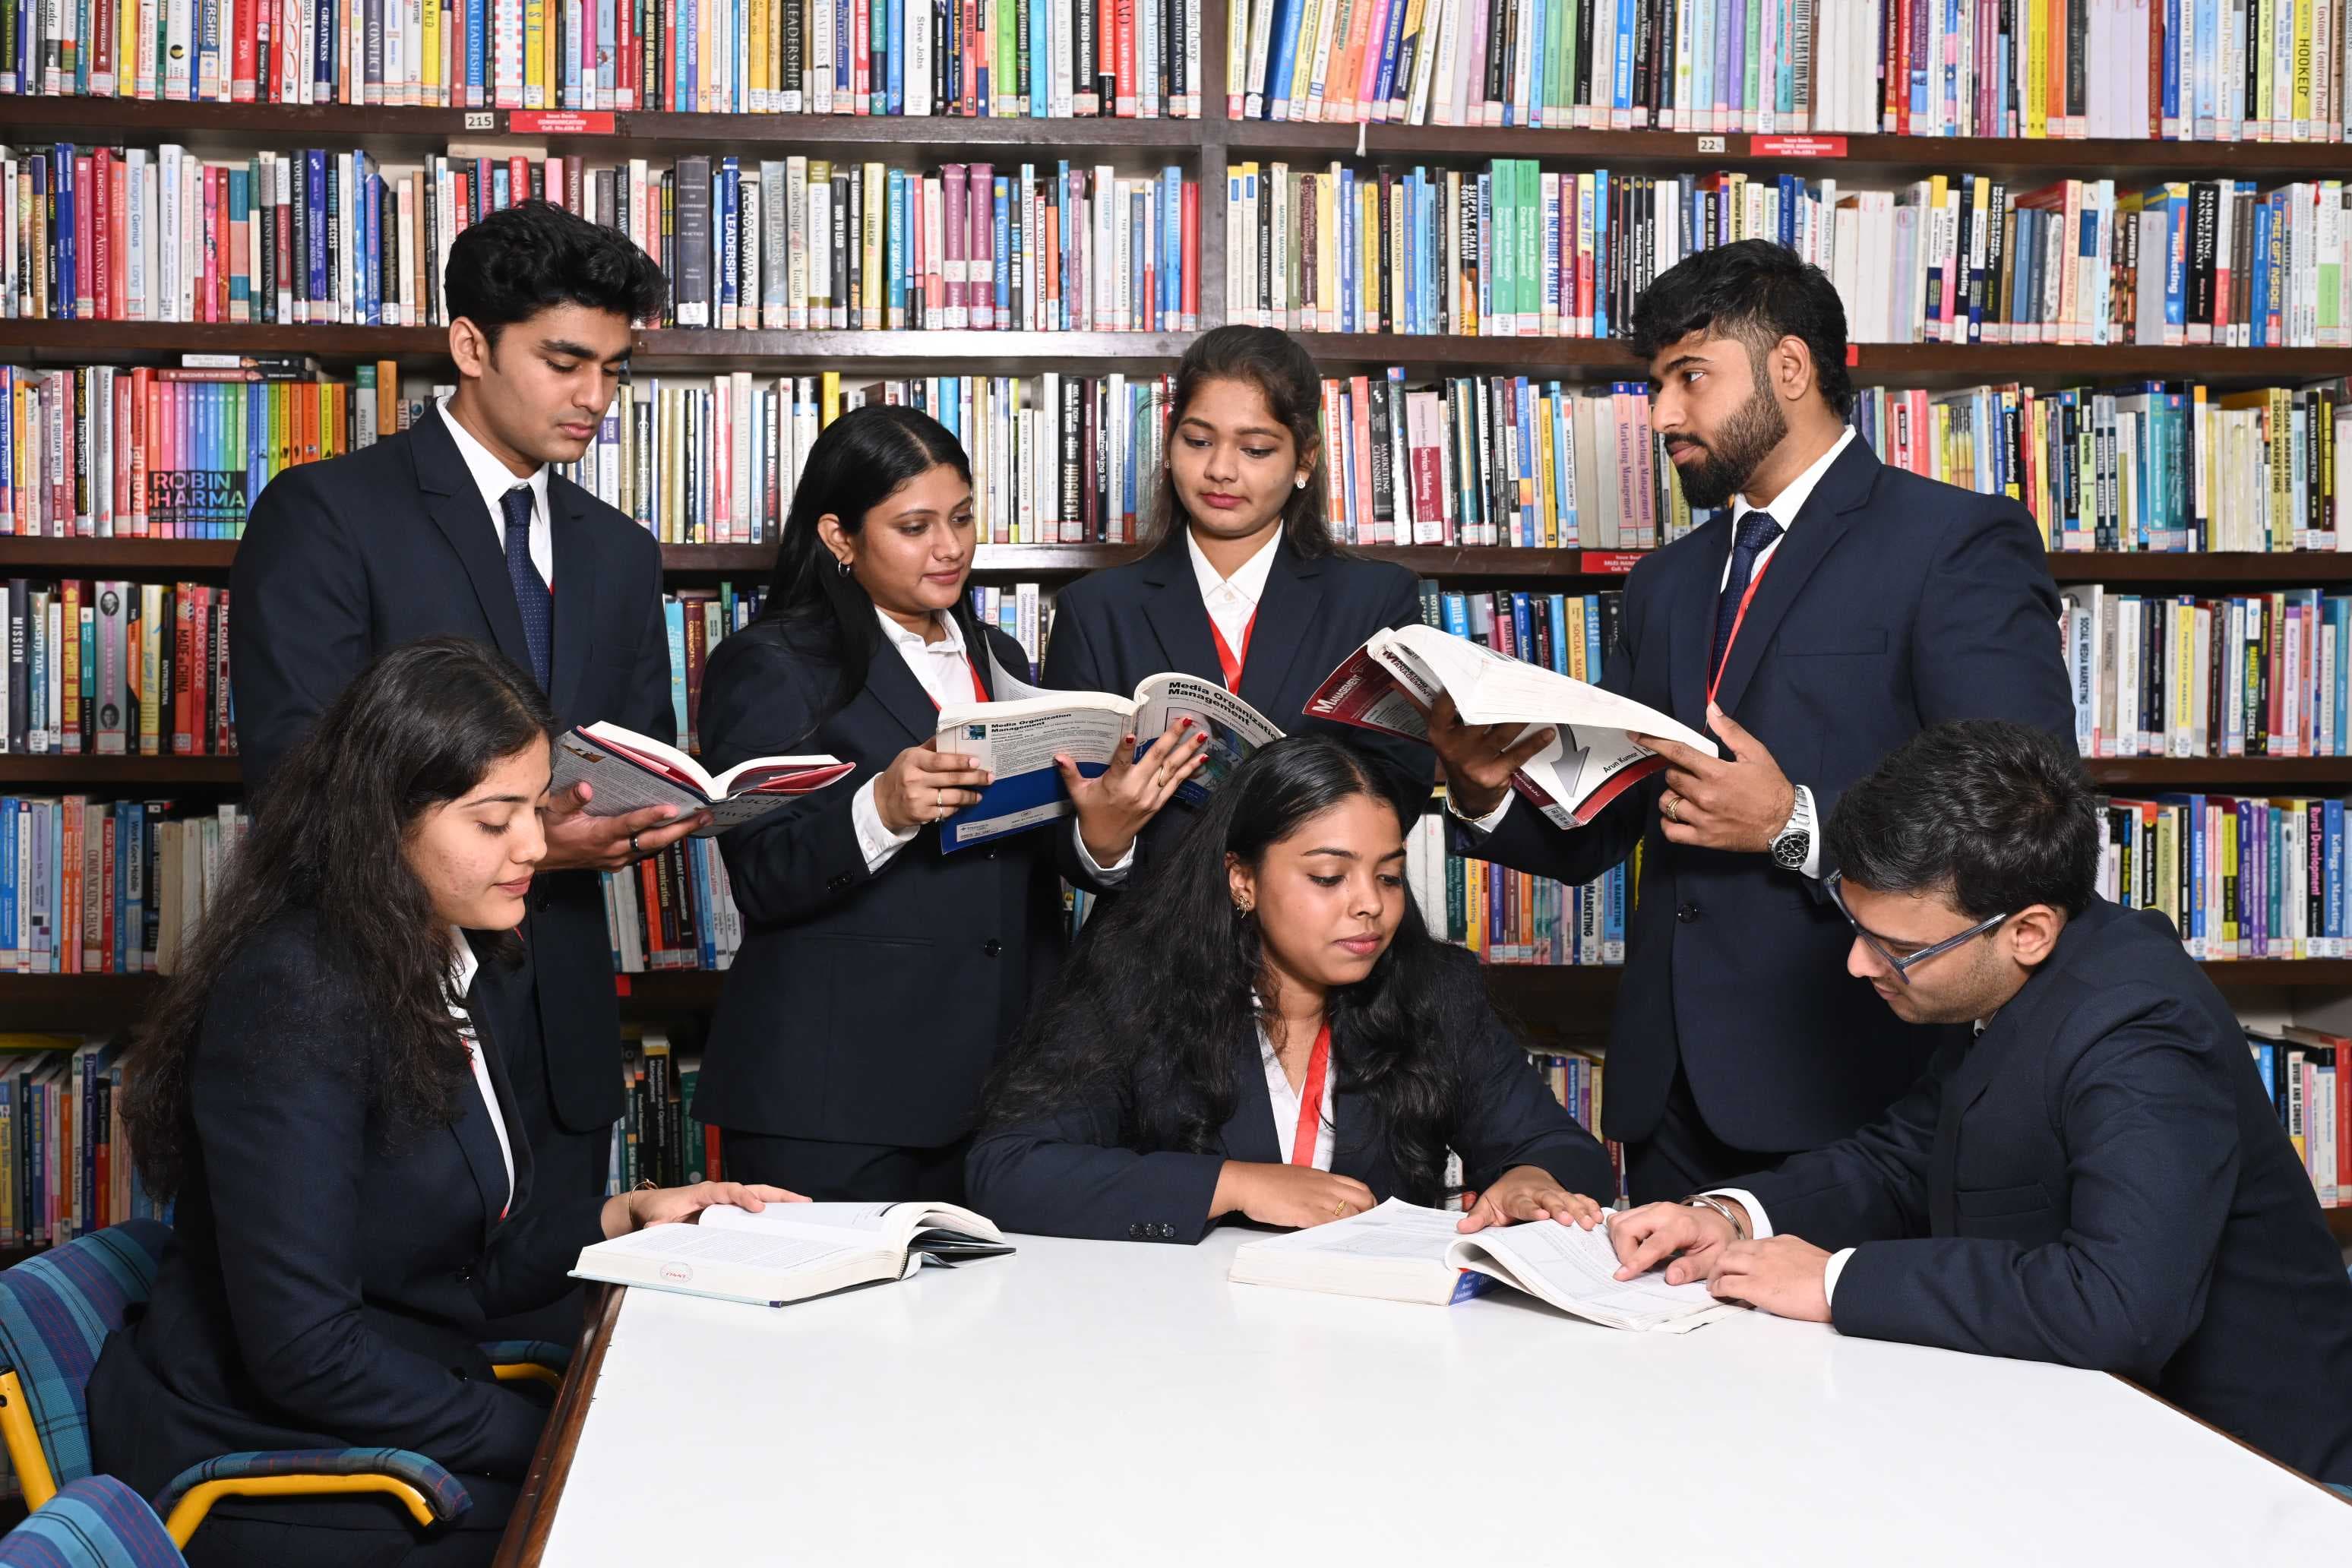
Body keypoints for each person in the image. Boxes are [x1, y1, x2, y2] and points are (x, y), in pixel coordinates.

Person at [90, 638, 801, 1567]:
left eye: (536, 811)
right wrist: (545, 1442)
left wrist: (625, 1215)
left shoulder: (438, 956)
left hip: (389, 1396)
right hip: (270, 1459)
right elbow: (306, 1350)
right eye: (494, 821)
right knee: (675, 1515)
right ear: (383, 821)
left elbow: (457, 1267)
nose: (538, 849)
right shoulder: (294, 994)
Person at [1426, 239, 2075, 1205]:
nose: (1663, 416)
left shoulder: (1952, 543)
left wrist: (1793, 825)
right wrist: (1483, 795)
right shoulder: (1664, 585)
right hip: (1667, 1098)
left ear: (1790, 368)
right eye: (1656, 386)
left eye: (1691, 377)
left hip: (1856, 1086)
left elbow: (2034, 818)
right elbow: (1611, 824)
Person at [1607, 719, 2352, 1487]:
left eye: (1897, 948)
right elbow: (1905, 1159)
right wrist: (1729, 1217)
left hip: (2253, 1477)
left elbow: (2118, 1306)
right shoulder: (2011, 977)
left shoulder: (2140, 1034)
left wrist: (1835, 1282)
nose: (1859, 964)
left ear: (2027, 932)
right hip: (2085, 1433)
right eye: (1858, 927)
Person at [231, 201, 690, 1334]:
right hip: (386, 1014)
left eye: (615, 369)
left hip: (564, 1021)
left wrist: (647, 817)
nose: (595, 397)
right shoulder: (330, 516)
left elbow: (644, 748)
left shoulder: (620, 553)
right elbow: (294, 777)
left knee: (567, 1350)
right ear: (473, 346)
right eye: (565, 361)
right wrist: (544, 831)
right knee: (397, 1345)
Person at [693, 406, 1159, 1203]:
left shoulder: (999, 657)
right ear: (840, 537)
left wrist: (1102, 836)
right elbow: (763, 875)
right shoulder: (769, 664)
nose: (949, 548)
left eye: (962, 518)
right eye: (914, 526)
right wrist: (882, 807)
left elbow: (1024, 848)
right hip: (836, 1096)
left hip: (1003, 1088)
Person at [967, 735, 1614, 1242]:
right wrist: (1231, 1184)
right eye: (1330, 877)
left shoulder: (1436, 989)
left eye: (1388, 877)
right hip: (1176, 1345)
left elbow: (1566, 1153)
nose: (1370, 906)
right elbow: (1010, 1170)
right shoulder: (1138, 981)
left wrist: (1533, 1179)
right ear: (1241, 878)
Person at [1042, 324, 1434, 893]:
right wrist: (1104, 839)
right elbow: (1060, 832)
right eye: (1198, 441)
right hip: (1151, 955)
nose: (1221, 469)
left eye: (1255, 449)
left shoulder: (1375, 602)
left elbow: (1399, 789)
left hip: (1322, 940)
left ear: (1305, 458)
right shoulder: (1096, 610)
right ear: (1170, 444)